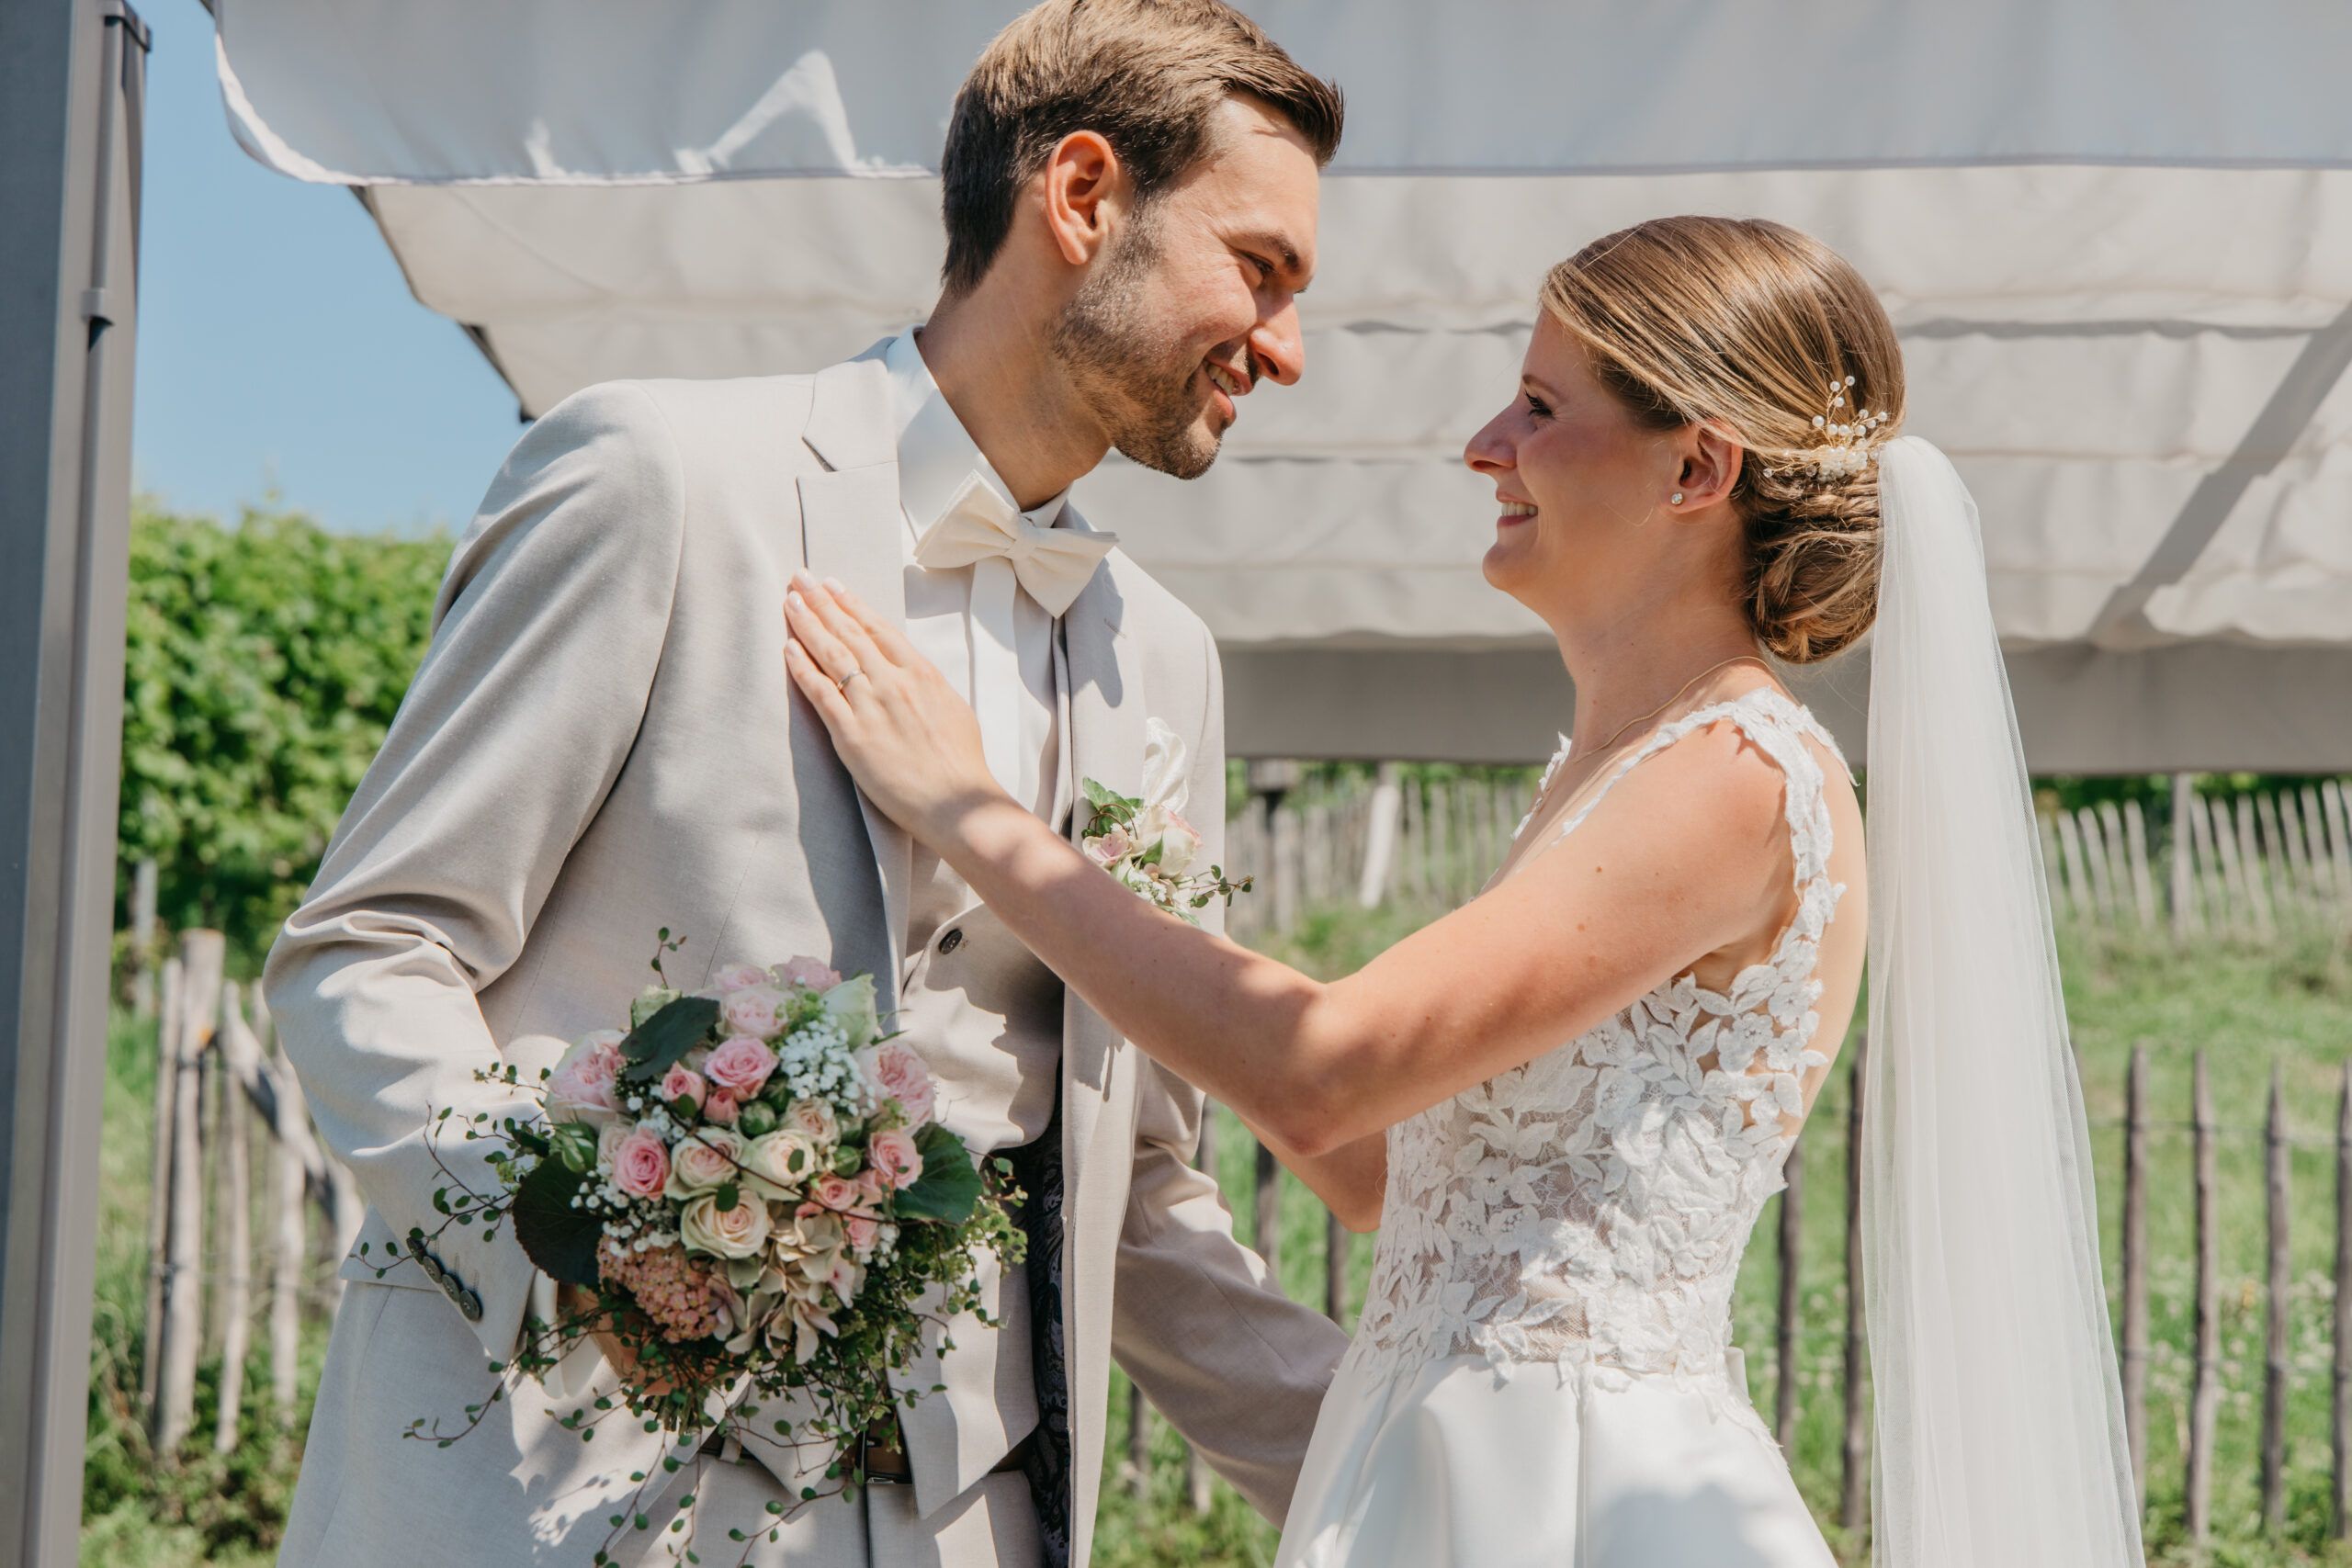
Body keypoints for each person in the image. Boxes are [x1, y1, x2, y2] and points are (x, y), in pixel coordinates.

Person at [782, 215, 2146, 1566]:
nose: (1484, 444)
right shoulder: (1608, 776)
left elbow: (1322, 1071)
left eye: (1542, 407)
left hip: (1581, 1499)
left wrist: (969, 808)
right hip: (1446, 1468)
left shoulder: (1738, 774)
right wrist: (1135, 944)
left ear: (1696, 467)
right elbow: (1381, 1167)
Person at [261, 4, 1350, 1563]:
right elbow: (365, 953)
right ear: (1085, 195)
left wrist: (1405, 1466)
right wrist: (593, 1244)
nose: (1288, 349)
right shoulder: (658, 479)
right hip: (560, 1498)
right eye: (1264, 268)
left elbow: (1135, 1184)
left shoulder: (1162, 662)